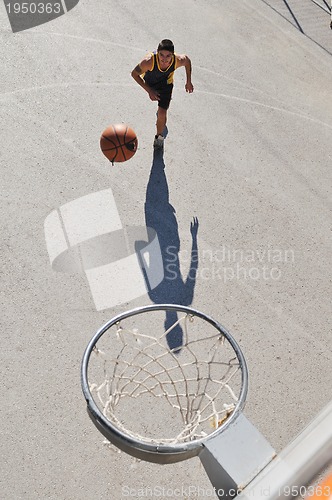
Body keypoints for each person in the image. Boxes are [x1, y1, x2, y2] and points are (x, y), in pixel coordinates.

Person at [131, 39, 194, 149]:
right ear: (157, 53)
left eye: (168, 56)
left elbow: (187, 61)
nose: (164, 59)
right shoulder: (148, 62)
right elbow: (134, 74)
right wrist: (149, 90)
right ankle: (161, 125)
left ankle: (159, 138)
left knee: (162, 113)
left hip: (165, 85)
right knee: (161, 115)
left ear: (172, 55)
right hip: (150, 82)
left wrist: (188, 81)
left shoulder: (177, 60)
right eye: (161, 55)